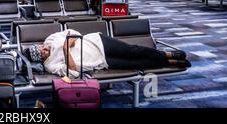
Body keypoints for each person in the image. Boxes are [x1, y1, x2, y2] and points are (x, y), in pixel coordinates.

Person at [24, 29, 190, 78]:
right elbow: (73, 73)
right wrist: (67, 50)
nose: (45, 49)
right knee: (136, 64)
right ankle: (170, 63)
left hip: (98, 42)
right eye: (43, 52)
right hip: (101, 62)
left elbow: (72, 31)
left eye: (41, 47)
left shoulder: (51, 39)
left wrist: (72, 40)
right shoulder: (50, 65)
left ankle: (168, 54)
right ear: (41, 59)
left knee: (134, 51)